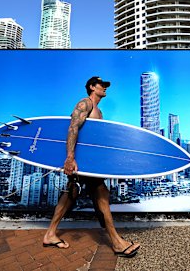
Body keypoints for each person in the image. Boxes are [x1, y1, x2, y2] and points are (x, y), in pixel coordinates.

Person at [42, 76, 141, 258]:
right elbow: (73, 128)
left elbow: (95, 142)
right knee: (101, 193)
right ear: (91, 87)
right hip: (80, 160)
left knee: (72, 193)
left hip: (89, 163)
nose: (105, 88)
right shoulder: (85, 104)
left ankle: (50, 234)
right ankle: (117, 242)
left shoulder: (99, 111)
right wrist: (70, 158)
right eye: (101, 85)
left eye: (105, 86)